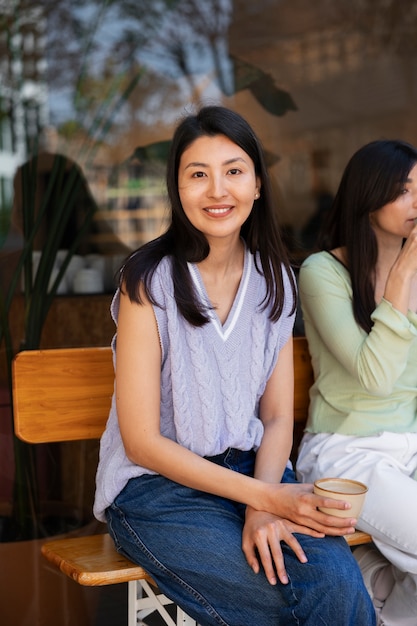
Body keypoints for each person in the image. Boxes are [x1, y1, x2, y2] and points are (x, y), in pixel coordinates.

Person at [93, 105, 375, 626]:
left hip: (252, 470)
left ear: (258, 184)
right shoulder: (147, 280)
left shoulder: (276, 279)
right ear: (178, 190)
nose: (217, 190)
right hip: (158, 491)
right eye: (197, 174)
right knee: (282, 603)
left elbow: (275, 418)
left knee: (337, 582)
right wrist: (264, 497)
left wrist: (263, 504)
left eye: (233, 171)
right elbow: (141, 442)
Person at [296, 139, 417, 626]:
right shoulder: (323, 272)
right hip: (346, 453)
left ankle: (379, 593)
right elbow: (377, 378)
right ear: (370, 196)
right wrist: (405, 271)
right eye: (406, 191)